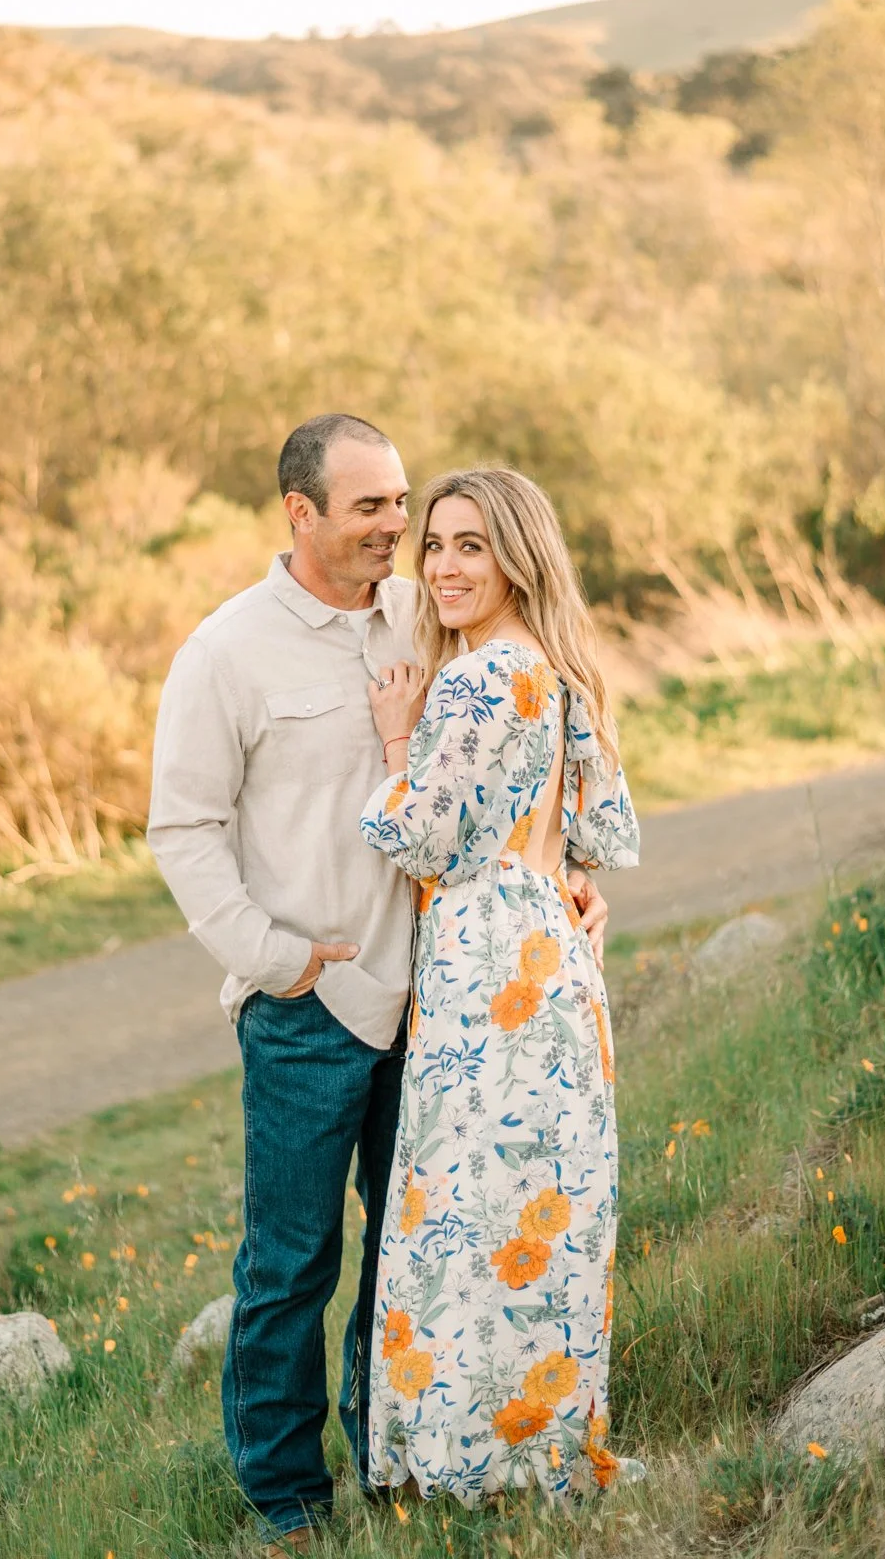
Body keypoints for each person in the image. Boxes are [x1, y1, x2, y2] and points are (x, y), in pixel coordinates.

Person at [148, 424, 611, 1548]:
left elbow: (525, 736)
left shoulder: (430, 609)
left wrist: (569, 873)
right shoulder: (228, 651)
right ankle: (286, 1495)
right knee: (293, 1260)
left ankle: (391, 1459)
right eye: (371, 508)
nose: (400, 530)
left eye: (402, 504)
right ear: (299, 515)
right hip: (312, 1010)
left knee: (415, 1247)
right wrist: (273, 959)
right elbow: (183, 827)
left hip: (448, 1007)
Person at [359, 466, 640, 1505]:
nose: (442, 565)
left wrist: (398, 732)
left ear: (516, 555)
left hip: (490, 973)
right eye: (432, 544)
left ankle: (468, 1464)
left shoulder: (478, 678)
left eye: (469, 544)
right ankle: (531, 1449)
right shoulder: (550, 666)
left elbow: (417, 830)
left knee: (472, 1216)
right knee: (534, 1208)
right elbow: (589, 841)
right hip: (550, 961)